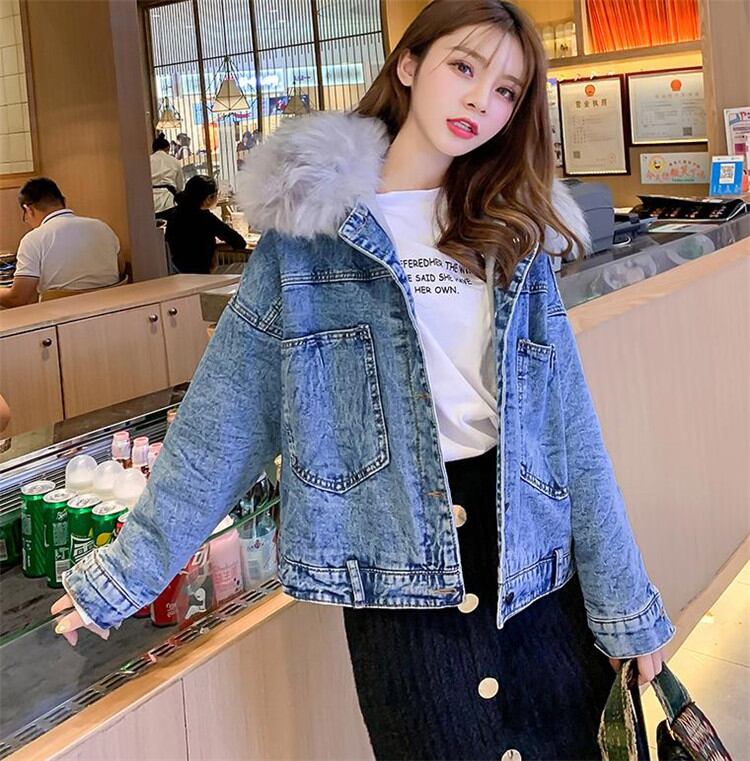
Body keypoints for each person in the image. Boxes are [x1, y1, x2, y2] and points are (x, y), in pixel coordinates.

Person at [52, 3, 674, 759]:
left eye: (507, 90)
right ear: (409, 65)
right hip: (396, 575)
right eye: (464, 67)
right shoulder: (311, 236)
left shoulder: (514, 228)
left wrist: (624, 606)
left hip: (535, 567)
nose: (482, 100)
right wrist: (124, 575)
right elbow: (225, 418)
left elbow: (571, 430)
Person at [1, 178, 122, 308]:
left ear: (28, 209)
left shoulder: (34, 239)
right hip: (113, 310)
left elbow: (18, 298)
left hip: (61, 315)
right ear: (64, 201)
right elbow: (120, 268)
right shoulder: (102, 227)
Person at [162, 175, 246, 274]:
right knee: (244, 267)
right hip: (203, 275)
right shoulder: (206, 218)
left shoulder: (173, 215)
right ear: (209, 198)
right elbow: (240, 242)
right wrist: (215, 248)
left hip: (179, 275)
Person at [150, 134, 185, 216]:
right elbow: (180, 186)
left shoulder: (147, 161)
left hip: (150, 200)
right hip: (168, 200)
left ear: (153, 149)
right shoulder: (174, 161)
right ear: (168, 148)